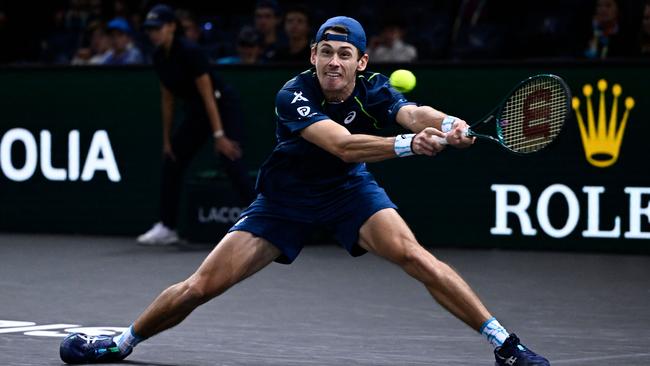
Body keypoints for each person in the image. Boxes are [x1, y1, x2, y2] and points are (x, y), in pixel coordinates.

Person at [59, 15, 550, 366]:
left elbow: (412, 113)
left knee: (416, 257)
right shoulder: (292, 95)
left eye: (344, 55)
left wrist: (448, 123)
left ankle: (505, 344)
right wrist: (408, 146)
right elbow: (342, 145)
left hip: (348, 193)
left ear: (361, 62)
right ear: (312, 55)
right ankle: (121, 343)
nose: (334, 62)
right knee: (200, 287)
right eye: (326, 52)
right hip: (284, 201)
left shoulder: (374, 87)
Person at [135, 4, 255, 245]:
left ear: (171, 27)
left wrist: (219, 135)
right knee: (172, 160)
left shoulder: (190, 51)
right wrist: (168, 139)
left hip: (221, 105)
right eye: (149, 29)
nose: (153, 33)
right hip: (197, 112)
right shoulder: (159, 56)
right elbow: (167, 98)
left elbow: (208, 93)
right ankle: (167, 227)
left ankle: (263, 222)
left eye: (157, 28)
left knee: (229, 158)